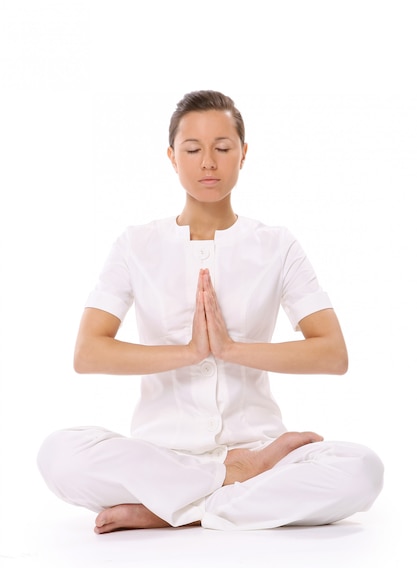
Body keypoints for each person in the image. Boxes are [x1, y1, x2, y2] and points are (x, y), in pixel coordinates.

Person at [37, 90, 383, 533]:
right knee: (58, 454)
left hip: (259, 445)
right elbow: (88, 353)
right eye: (193, 149)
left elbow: (333, 355)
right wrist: (190, 352)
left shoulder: (277, 245)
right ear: (171, 156)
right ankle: (229, 484)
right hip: (160, 456)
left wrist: (231, 348)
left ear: (243, 154)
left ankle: (169, 509)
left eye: (222, 148)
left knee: (361, 469)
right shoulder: (136, 244)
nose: (208, 163)